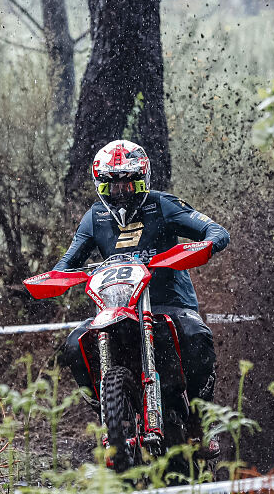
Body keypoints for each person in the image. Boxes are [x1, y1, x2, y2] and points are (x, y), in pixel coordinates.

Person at [55, 139, 230, 455]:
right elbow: (68, 262)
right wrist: (52, 278)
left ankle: (203, 420)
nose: (120, 190)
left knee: (197, 334)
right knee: (73, 344)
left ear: (141, 178)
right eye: (112, 184)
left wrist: (205, 244)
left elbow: (214, 230)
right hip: (117, 307)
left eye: (127, 181)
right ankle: (106, 409)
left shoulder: (162, 205)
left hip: (169, 304)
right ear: (100, 185)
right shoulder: (95, 217)